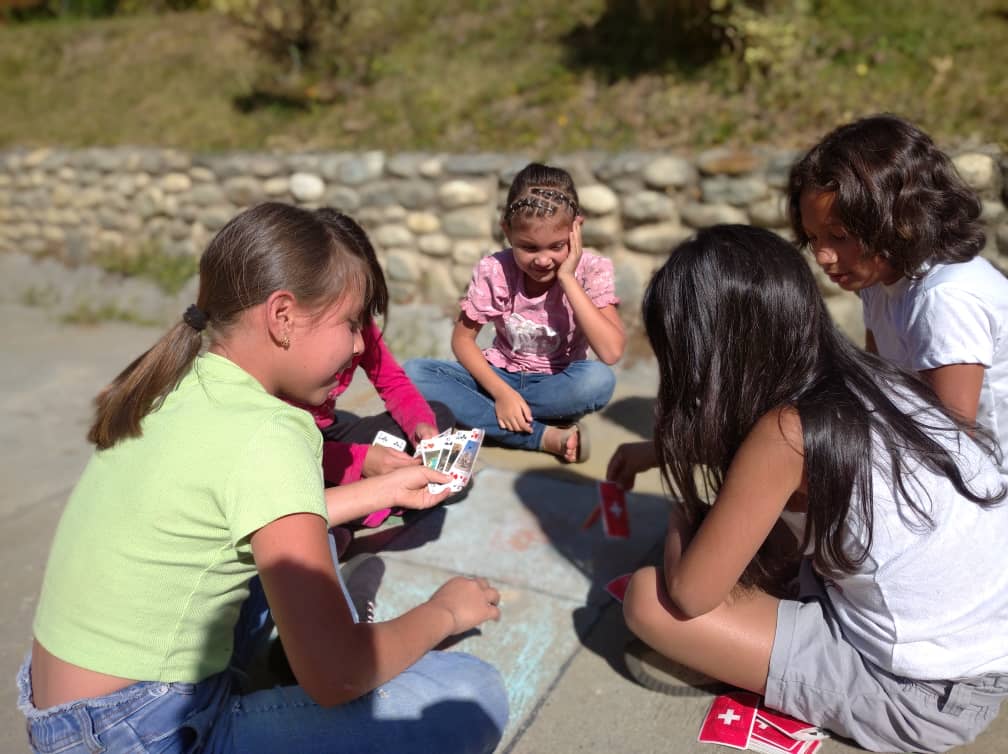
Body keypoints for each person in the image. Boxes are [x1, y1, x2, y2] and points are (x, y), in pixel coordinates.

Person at [17, 202, 509, 754]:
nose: (356, 345)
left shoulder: (181, 381)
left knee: (310, 537)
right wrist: (444, 611)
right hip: (146, 731)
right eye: (350, 323)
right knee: (473, 695)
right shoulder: (274, 429)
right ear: (282, 317)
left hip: (68, 714)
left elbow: (246, 511)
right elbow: (338, 675)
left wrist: (383, 489)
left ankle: (283, 660)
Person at [611, 225, 1008, 753]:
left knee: (649, 599)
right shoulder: (866, 378)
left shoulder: (784, 434)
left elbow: (689, 595)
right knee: (762, 535)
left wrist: (683, 508)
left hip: (922, 697)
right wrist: (667, 452)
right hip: (979, 642)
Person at [788, 113, 1008, 476]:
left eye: (839, 237)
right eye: (814, 238)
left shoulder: (946, 300)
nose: (823, 257)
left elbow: (950, 444)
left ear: (896, 221)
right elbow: (882, 387)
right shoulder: (879, 280)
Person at [405, 162, 625, 463]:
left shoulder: (592, 270)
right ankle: (543, 436)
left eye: (556, 246)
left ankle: (478, 416)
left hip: (556, 382)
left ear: (576, 229)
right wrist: (502, 394)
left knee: (598, 381)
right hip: (497, 376)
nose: (544, 260)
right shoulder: (495, 269)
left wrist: (568, 279)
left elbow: (611, 352)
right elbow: (462, 341)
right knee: (415, 373)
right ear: (507, 231)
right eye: (529, 247)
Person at [289, 210, 455, 489]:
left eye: (361, 319)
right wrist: (358, 460)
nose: (361, 344)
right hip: (293, 448)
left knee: (439, 416)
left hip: (328, 431)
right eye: (350, 323)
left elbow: (392, 381)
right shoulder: (276, 359)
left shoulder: (358, 324)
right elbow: (281, 449)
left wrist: (421, 425)